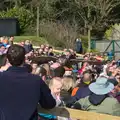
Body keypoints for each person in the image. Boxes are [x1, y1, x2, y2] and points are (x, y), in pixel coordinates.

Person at [0, 44, 56, 120]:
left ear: (8, 59)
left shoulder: (2, 77)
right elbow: (49, 103)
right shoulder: (36, 80)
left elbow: (49, 103)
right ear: (24, 59)